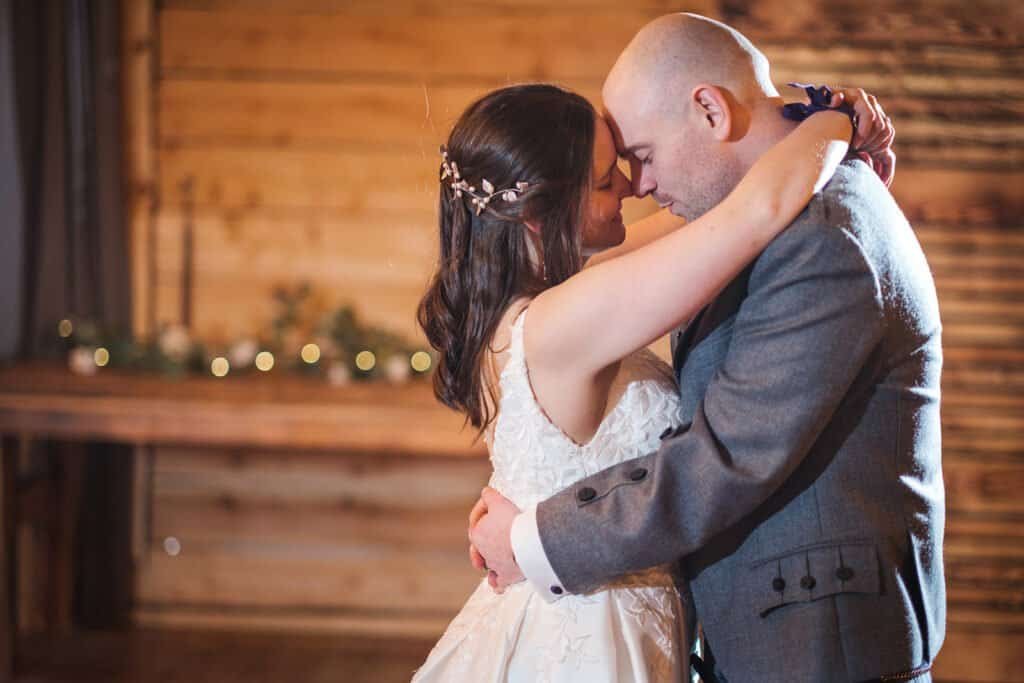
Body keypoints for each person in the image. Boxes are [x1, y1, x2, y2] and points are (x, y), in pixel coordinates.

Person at [468, 13, 944, 683]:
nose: (638, 184)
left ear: (711, 111)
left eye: (642, 154)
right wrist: (831, 119)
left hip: (818, 647)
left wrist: (533, 538)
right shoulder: (738, 223)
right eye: (614, 174)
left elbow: (729, 457)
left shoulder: (821, 234)